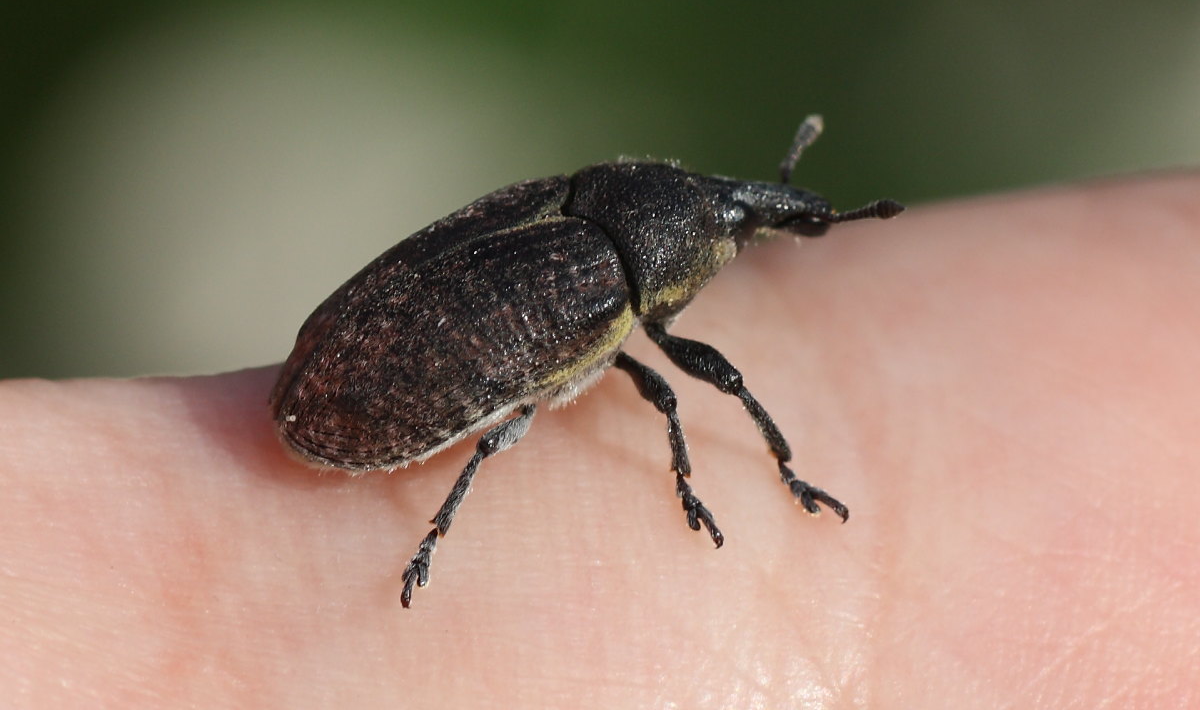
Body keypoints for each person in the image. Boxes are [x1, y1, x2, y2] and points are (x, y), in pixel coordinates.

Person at [1, 175, 1196, 707]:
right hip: (364, 404)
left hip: (348, 338)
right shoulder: (601, 280)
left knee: (673, 400)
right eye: (729, 228)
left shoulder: (592, 206)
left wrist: (769, 206)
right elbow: (654, 370)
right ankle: (441, 535)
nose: (739, 235)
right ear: (675, 254)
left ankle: (749, 467)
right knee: (646, 405)